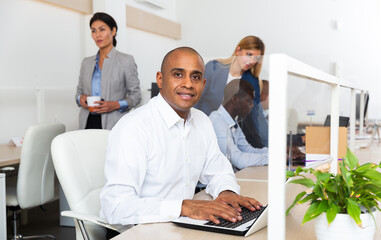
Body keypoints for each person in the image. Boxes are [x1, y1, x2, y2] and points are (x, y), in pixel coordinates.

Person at [100, 47, 262, 229]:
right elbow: (114, 207)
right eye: (178, 74)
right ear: (160, 80)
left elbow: (218, 170)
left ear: (204, 83)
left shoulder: (201, 121)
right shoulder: (134, 127)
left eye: (195, 77)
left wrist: (226, 191)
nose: (188, 84)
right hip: (143, 230)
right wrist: (183, 207)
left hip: (183, 226)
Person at [194, 35, 268, 147]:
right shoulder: (213, 68)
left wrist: (271, 147)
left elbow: (256, 117)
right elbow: (195, 101)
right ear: (238, 50)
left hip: (231, 138)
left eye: (256, 58)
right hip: (203, 132)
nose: (252, 61)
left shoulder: (253, 81)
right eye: (249, 54)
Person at [75, 12, 141, 130]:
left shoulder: (126, 60)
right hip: (87, 121)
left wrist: (116, 105)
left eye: (102, 29)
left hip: (114, 122)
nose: (97, 35)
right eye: (93, 30)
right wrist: (80, 98)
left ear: (113, 31)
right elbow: (78, 92)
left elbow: (136, 96)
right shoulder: (86, 62)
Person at [209, 79, 268, 172]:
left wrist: (274, 154)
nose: (251, 105)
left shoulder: (232, 121)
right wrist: (270, 158)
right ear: (234, 100)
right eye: (248, 101)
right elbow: (238, 160)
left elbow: (247, 149)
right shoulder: (218, 121)